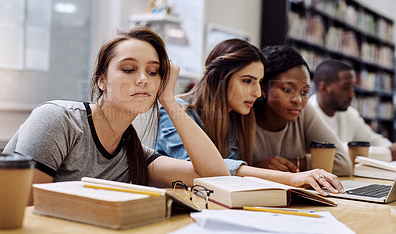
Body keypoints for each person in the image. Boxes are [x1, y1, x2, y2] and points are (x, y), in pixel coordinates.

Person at [3, 26, 230, 205]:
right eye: (129, 69)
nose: (143, 79)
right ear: (101, 80)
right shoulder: (57, 120)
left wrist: (169, 101)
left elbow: (215, 178)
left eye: (153, 72)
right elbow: (28, 212)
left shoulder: (134, 155)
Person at [156, 39, 345, 195]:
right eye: (247, 81)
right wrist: (291, 178)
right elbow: (203, 169)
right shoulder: (176, 111)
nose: (257, 93)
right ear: (218, 79)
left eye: (259, 83)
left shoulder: (238, 117)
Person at [253, 46, 352, 176]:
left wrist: (292, 163)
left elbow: (343, 164)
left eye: (305, 92)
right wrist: (255, 168)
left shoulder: (303, 112)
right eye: (288, 90)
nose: (298, 100)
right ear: (264, 88)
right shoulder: (246, 113)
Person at [310, 59, 396, 161]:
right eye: (346, 88)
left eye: (353, 88)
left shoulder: (349, 113)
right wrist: (388, 153)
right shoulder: (308, 115)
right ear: (324, 88)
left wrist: (390, 149)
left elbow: (373, 139)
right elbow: (333, 151)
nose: (352, 94)